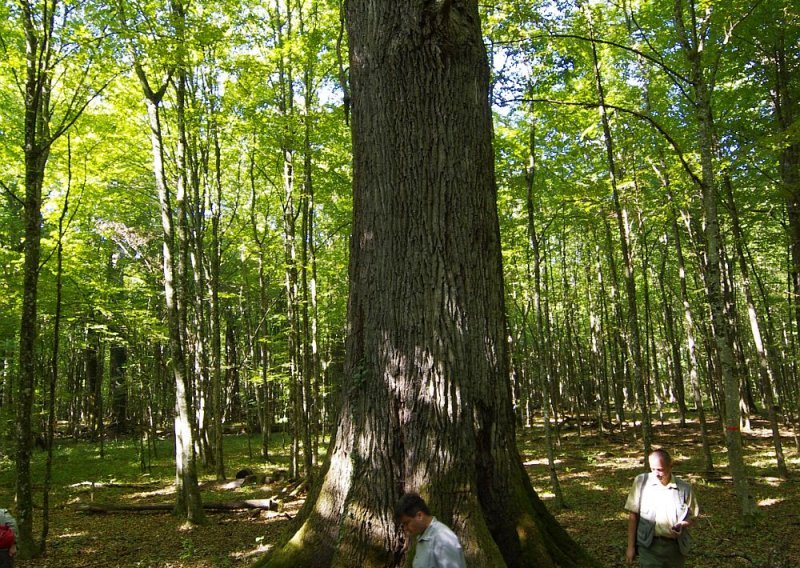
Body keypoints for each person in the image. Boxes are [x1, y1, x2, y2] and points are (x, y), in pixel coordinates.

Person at [625, 449, 699, 567]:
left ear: (670, 466)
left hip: (675, 548)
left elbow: (693, 517)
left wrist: (682, 524)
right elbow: (633, 516)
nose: (656, 473)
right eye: (652, 469)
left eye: (660, 469)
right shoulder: (641, 482)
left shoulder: (684, 488)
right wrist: (630, 547)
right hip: (648, 545)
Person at [395, 492, 466, 568]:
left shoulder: (442, 538)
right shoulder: (424, 536)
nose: (405, 528)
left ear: (420, 516)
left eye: (407, 523)